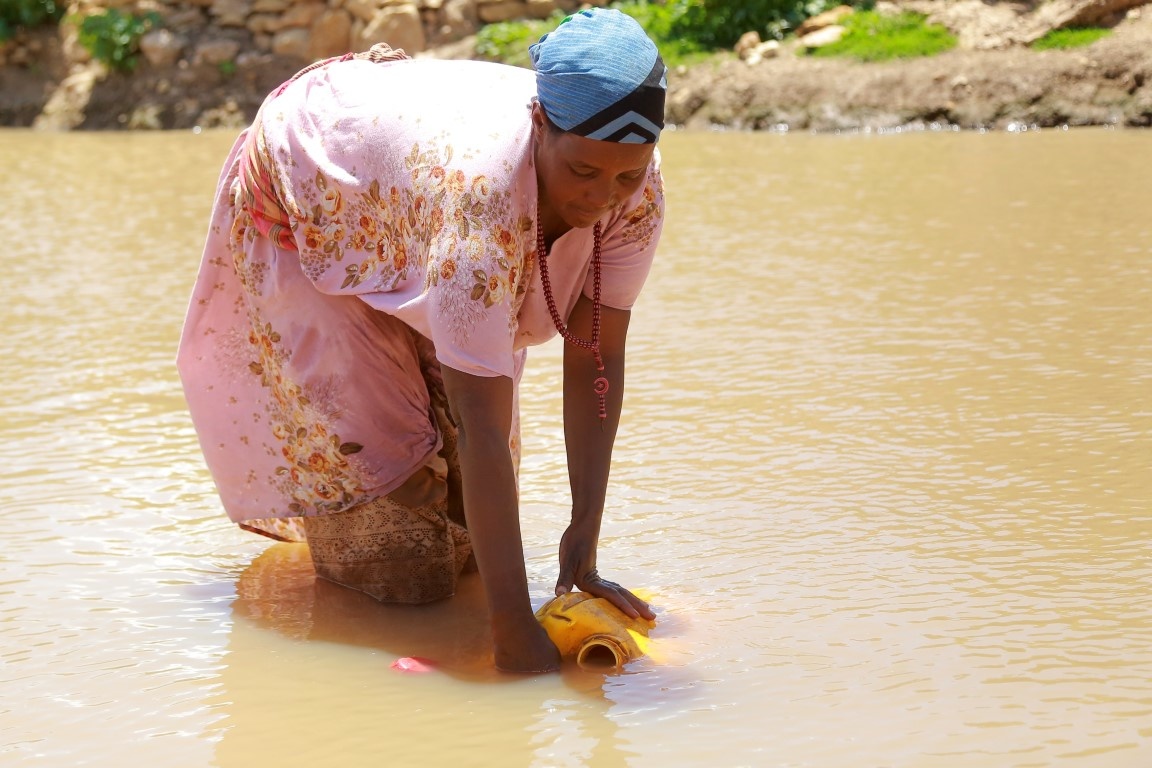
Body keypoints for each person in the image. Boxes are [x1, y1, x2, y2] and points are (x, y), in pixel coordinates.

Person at [177, 8, 666, 673]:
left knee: (466, 547)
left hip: (408, 195)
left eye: (625, 176)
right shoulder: (480, 208)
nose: (603, 198)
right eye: (582, 172)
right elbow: (480, 426)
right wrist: (512, 635)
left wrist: (584, 540)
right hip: (312, 183)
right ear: (540, 125)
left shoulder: (638, 190)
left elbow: (598, 354)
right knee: (405, 569)